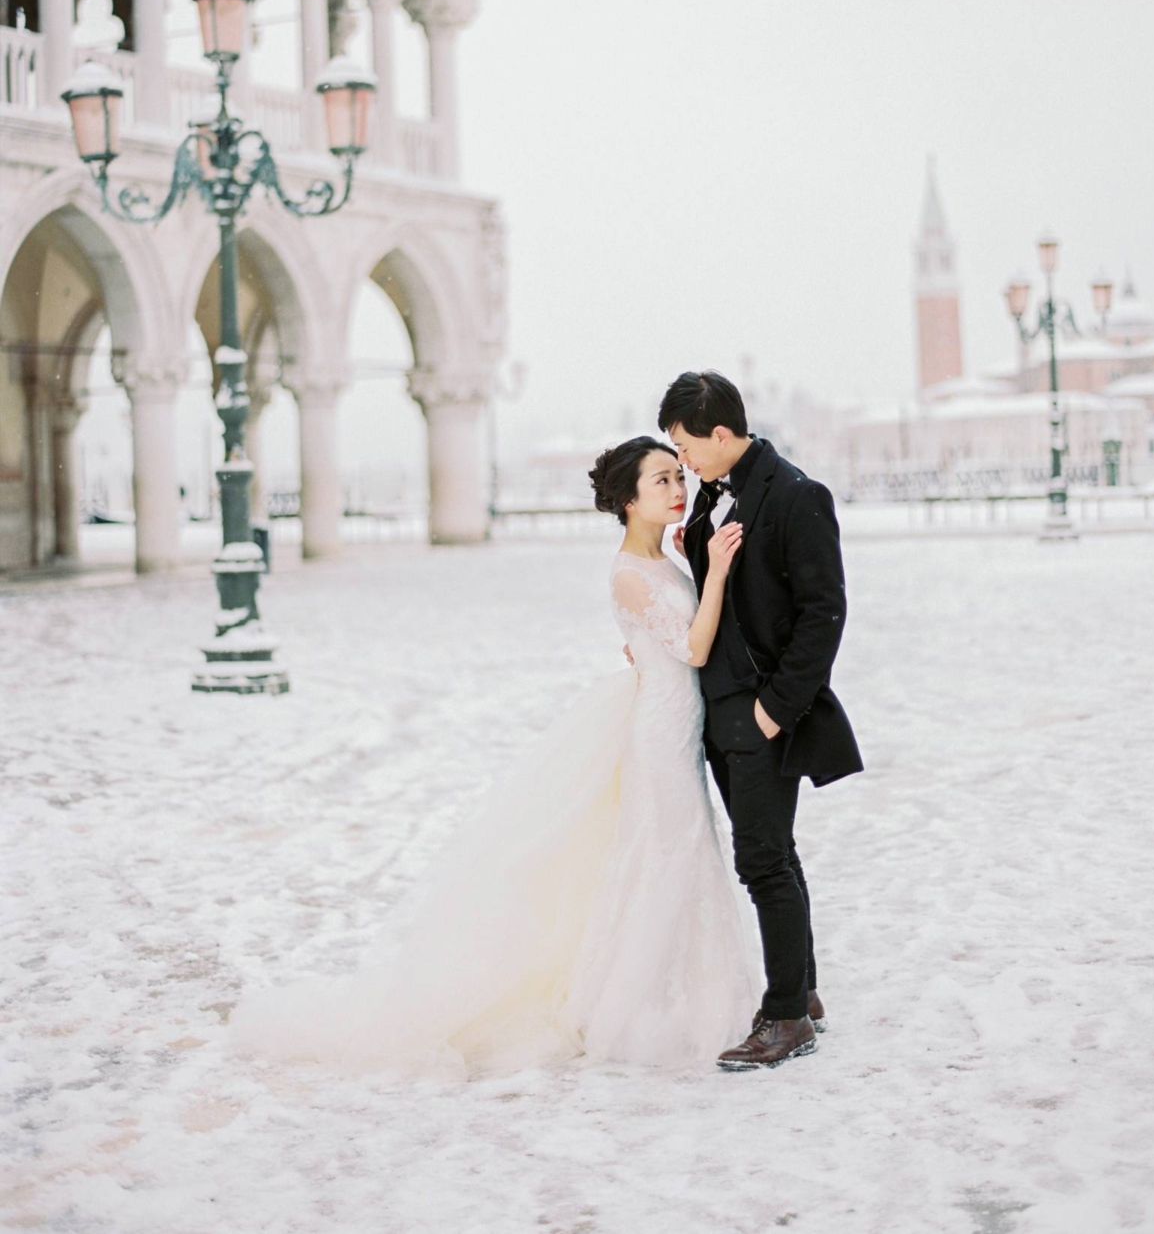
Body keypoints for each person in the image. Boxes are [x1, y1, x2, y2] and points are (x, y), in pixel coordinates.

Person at [227, 436, 760, 1077]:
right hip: (660, 732)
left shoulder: (665, 557)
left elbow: (668, 644)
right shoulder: (628, 573)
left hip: (676, 721)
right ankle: (639, 1008)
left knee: (679, 854)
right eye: (662, 481)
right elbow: (694, 650)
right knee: (669, 855)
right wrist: (720, 572)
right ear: (627, 501)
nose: (678, 490)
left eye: (678, 477)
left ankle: (681, 998)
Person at [659, 369, 863, 1071]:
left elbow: (823, 614)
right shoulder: (712, 497)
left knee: (763, 862)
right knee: (776, 852)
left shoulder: (796, 496)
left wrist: (773, 711)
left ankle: (783, 1016)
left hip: (763, 715)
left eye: (686, 445)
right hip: (717, 715)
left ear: (721, 433)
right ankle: (802, 994)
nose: (682, 461)